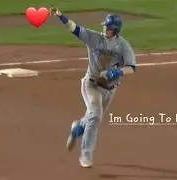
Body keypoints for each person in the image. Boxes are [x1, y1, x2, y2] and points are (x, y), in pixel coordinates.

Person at [50, 6, 136, 168]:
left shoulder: (123, 45)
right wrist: (61, 16)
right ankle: (86, 155)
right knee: (96, 116)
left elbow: (132, 68)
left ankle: (78, 128)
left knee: (92, 117)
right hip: (91, 84)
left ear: (115, 30)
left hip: (109, 90)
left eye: (108, 27)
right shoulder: (94, 38)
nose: (104, 28)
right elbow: (74, 29)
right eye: (104, 26)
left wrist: (115, 73)